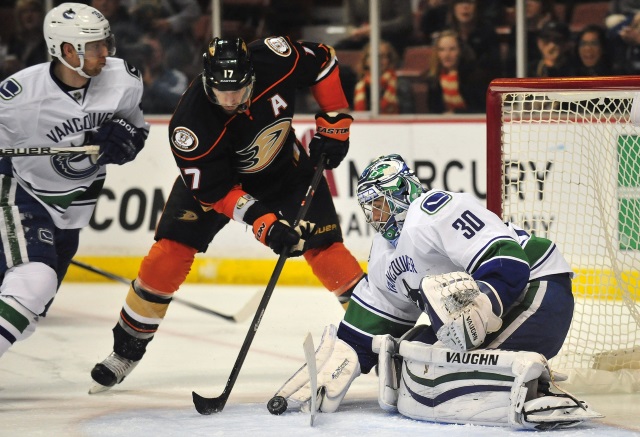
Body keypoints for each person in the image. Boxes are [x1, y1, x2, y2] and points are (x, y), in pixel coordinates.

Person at [89, 36, 366, 393]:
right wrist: (264, 223)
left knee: (327, 249)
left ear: (252, 76)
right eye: (222, 92)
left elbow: (323, 60)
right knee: (169, 253)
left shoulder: (275, 60)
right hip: (221, 184)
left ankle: (380, 331)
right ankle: (126, 350)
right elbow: (215, 192)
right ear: (207, 81)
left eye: (238, 90)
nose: (231, 100)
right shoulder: (190, 124)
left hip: (285, 168)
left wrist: (335, 122)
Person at [269, 154, 602, 428]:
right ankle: (513, 372)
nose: (375, 216)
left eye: (380, 204)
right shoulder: (385, 251)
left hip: (538, 289)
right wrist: (345, 354)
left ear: (402, 190)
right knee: (415, 356)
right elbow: (374, 319)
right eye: (369, 208)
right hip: (509, 303)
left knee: (435, 379)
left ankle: (532, 389)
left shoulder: (433, 210)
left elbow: (508, 262)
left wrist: (484, 304)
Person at [0, 3, 147, 358]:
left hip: (71, 212)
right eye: (95, 46)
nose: (106, 52)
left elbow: (136, 130)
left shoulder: (123, 80)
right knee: (34, 283)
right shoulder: (19, 96)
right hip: (23, 193)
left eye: (105, 42)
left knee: (28, 314)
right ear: (67, 51)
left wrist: (126, 142)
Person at [425, 30, 489, 114]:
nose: (446, 55)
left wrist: (456, 113)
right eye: (441, 50)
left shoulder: (474, 76)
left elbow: (482, 110)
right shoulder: (434, 78)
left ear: (460, 51)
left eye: (452, 49)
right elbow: (433, 111)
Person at [334, 0, 413, 56]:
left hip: (390, 35)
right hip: (363, 36)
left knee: (380, 50)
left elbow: (405, 21)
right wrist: (354, 31)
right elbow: (349, 22)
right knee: (336, 50)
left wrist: (376, 28)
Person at [137, 33, 188, 114]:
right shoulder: (130, 78)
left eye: (155, 51)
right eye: (148, 51)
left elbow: (179, 101)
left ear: (163, 53)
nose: (152, 55)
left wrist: (152, 83)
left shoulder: (177, 77)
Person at [0, 0, 48, 80]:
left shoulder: (47, 42)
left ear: (42, 14)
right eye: (24, 12)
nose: (29, 15)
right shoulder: (15, 41)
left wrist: (22, 67)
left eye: (33, 10)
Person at [353, 40, 400, 114]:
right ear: (366, 61)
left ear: (389, 60)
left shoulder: (400, 85)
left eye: (383, 56)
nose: (378, 60)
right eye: (373, 56)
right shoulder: (358, 85)